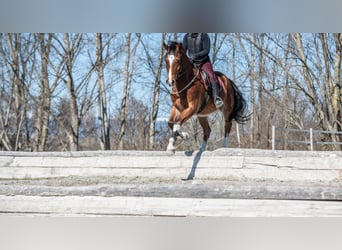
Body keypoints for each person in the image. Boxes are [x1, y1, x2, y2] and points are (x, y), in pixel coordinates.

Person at [182, 33, 223, 109]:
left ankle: (216, 98)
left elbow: (206, 50)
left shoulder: (204, 35)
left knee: (211, 76)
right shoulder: (186, 37)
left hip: (203, 62)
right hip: (191, 63)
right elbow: (183, 51)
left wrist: (196, 55)